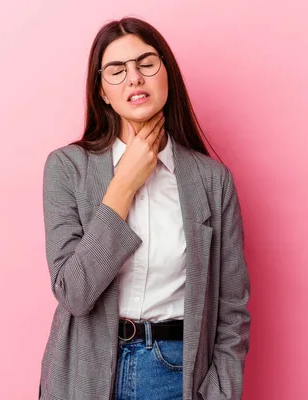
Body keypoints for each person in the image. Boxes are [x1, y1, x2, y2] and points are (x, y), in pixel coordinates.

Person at [39, 16, 250, 400]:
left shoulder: (212, 180)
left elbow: (232, 313)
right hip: (84, 375)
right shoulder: (67, 168)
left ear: (166, 72)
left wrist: (220, 394)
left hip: (174, 374)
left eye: (146, 63)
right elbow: (73, 293)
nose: (134, 78)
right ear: (102, 91)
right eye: (116, 71)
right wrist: (124, 185)